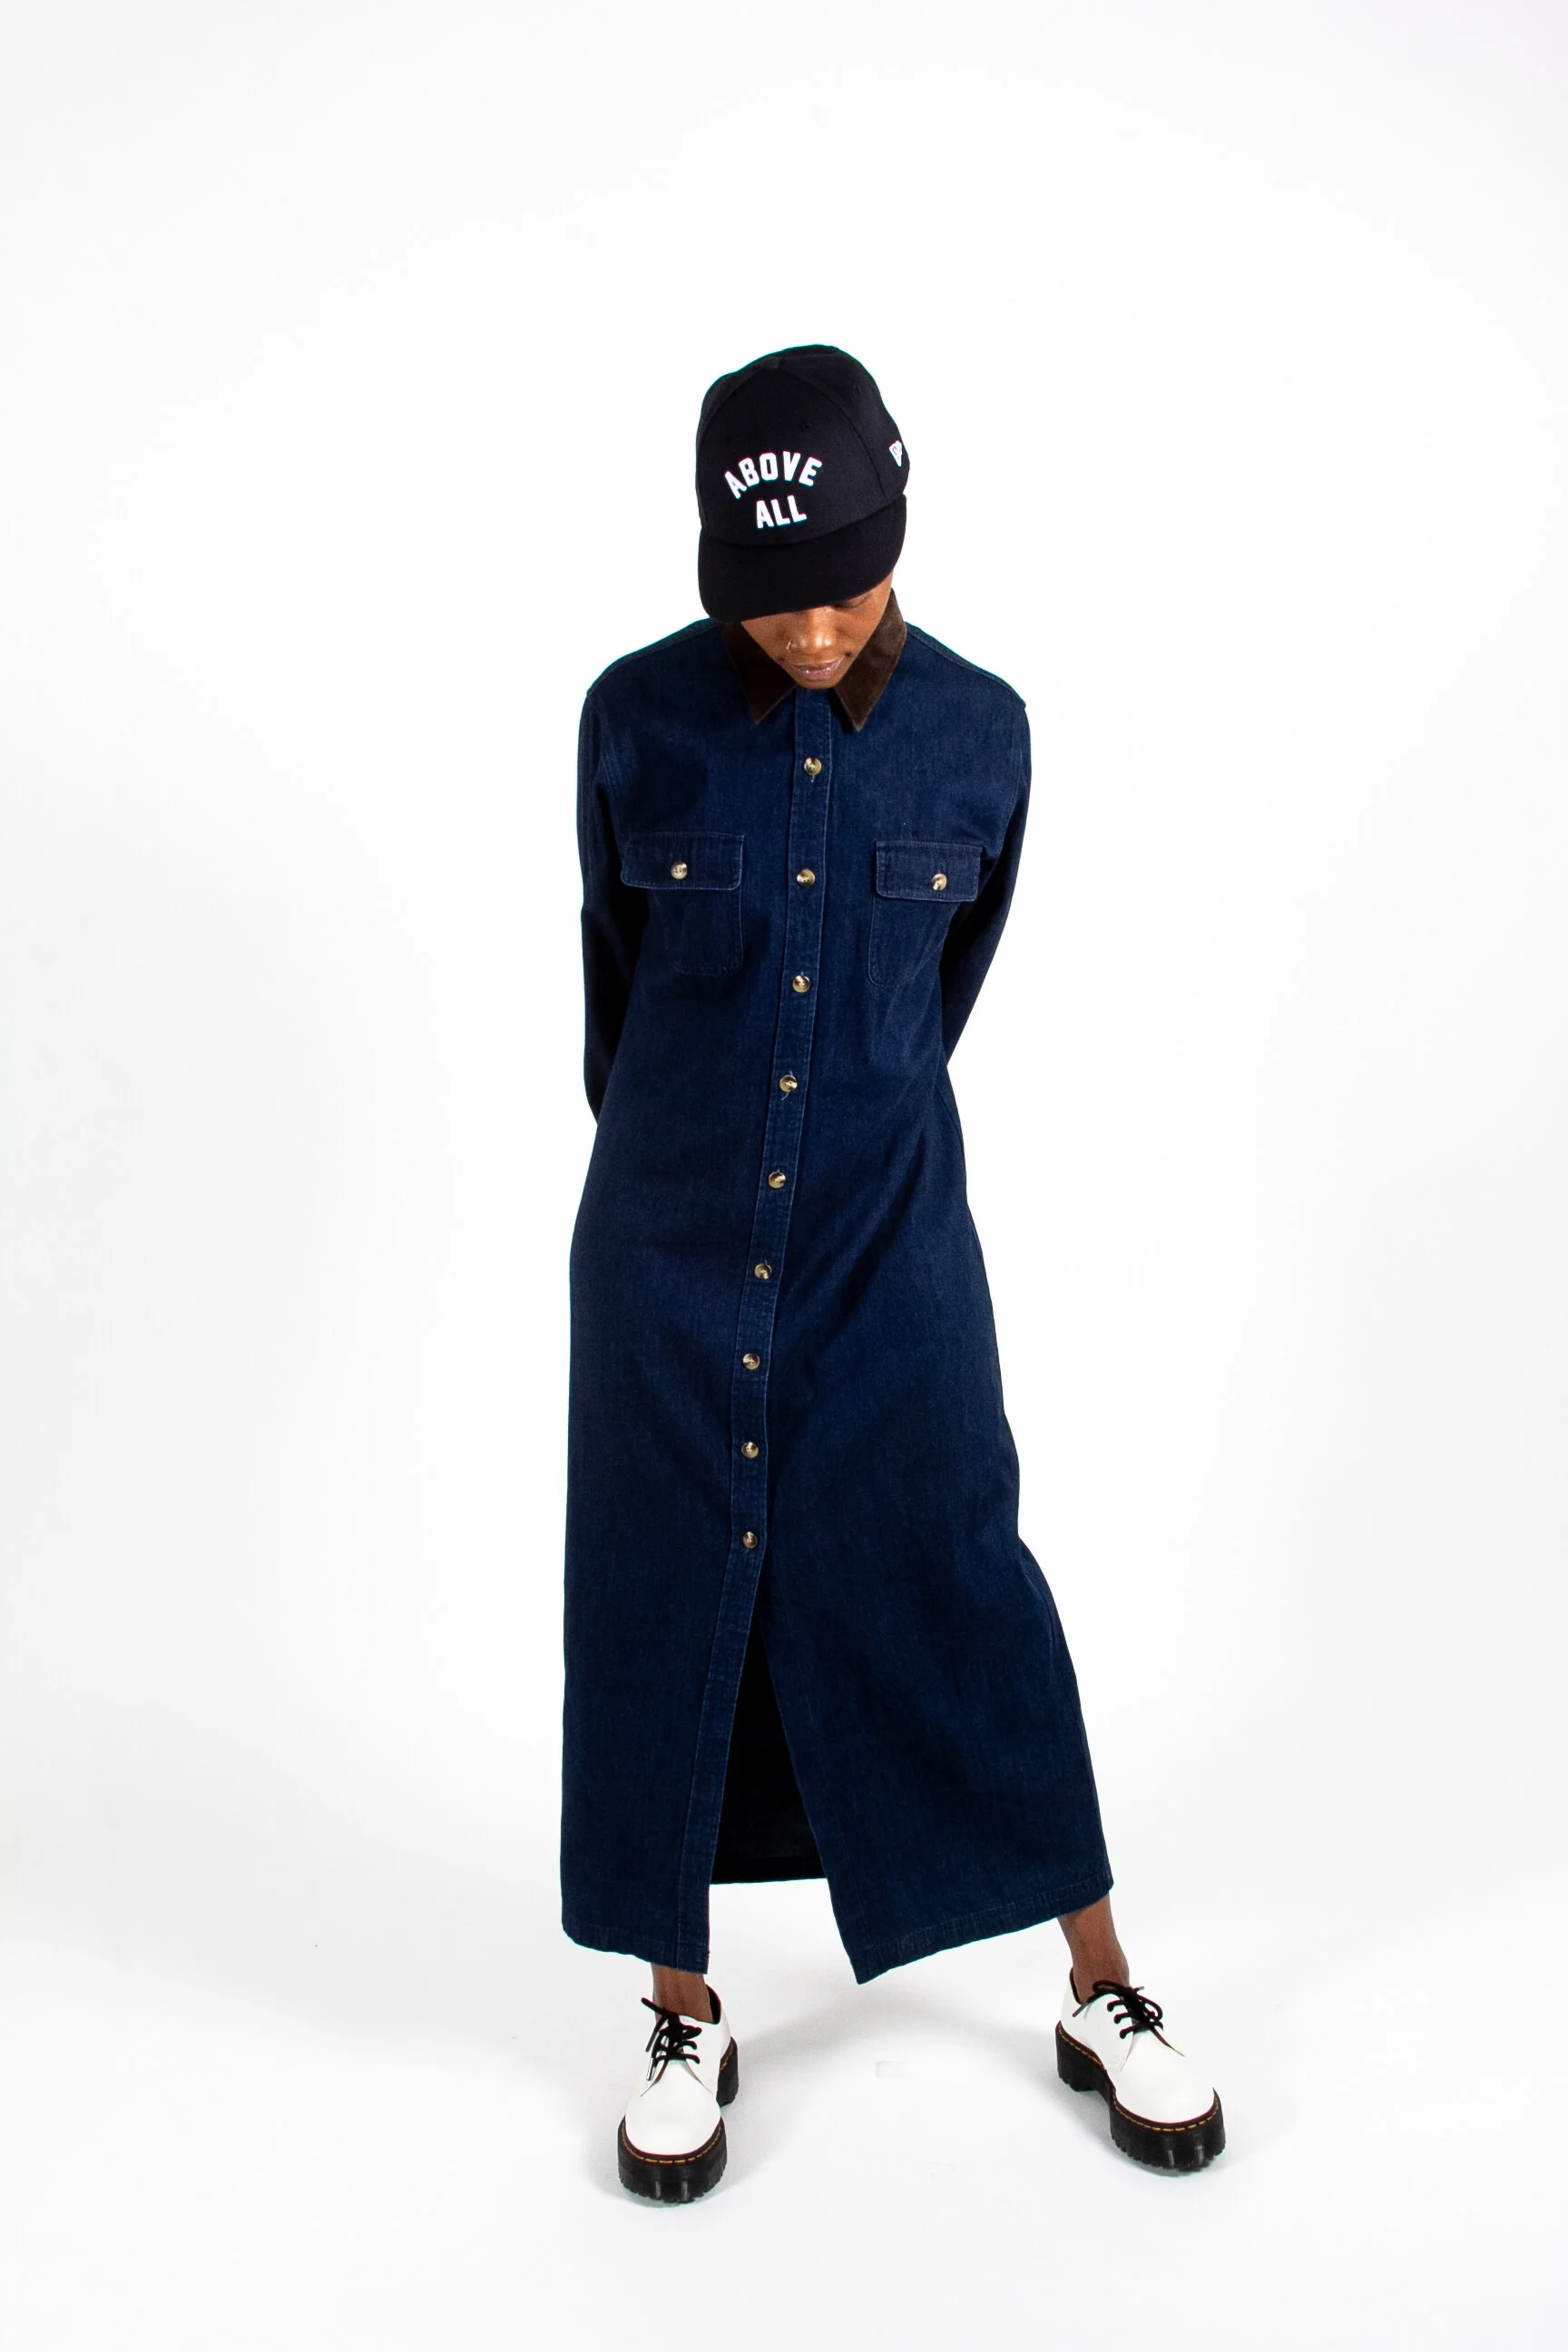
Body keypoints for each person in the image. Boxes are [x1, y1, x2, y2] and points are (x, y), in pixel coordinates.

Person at [563, 345, 1223, 2200]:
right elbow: (615, 993)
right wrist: (689, 1181)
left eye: (842, 586)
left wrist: (850, 1140)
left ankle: (1100, 1982)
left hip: (885, 1250)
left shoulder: (982, 734)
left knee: (957, 1577)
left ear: (898, 533)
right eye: (771, 594)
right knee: (662, 1601)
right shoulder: (631, 719)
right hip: (666, 1264)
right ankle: (682, 2008)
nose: (809, 625)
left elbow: (944, 993)